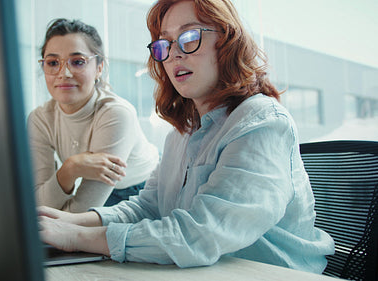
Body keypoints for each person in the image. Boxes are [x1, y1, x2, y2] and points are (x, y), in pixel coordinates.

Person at [36, 0, 335, 273]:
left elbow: (200, 234)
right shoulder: (183, 131)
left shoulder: (261, 121)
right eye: (164, 43)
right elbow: (148, 208)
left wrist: (75, 236)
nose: (174, 53)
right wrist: (65, 221)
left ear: (227, 42)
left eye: (190, 38)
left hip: (274, 273)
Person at [28, 18, 159, 213]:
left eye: (78, 62)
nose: (64, 73)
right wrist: (69, 169)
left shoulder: (116, 114)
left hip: (141, 190)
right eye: (53, 62)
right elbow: (39, 203)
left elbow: (79, 214)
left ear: (99, 68)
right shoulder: (40, 118)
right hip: (98, 192)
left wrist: (68, 175)